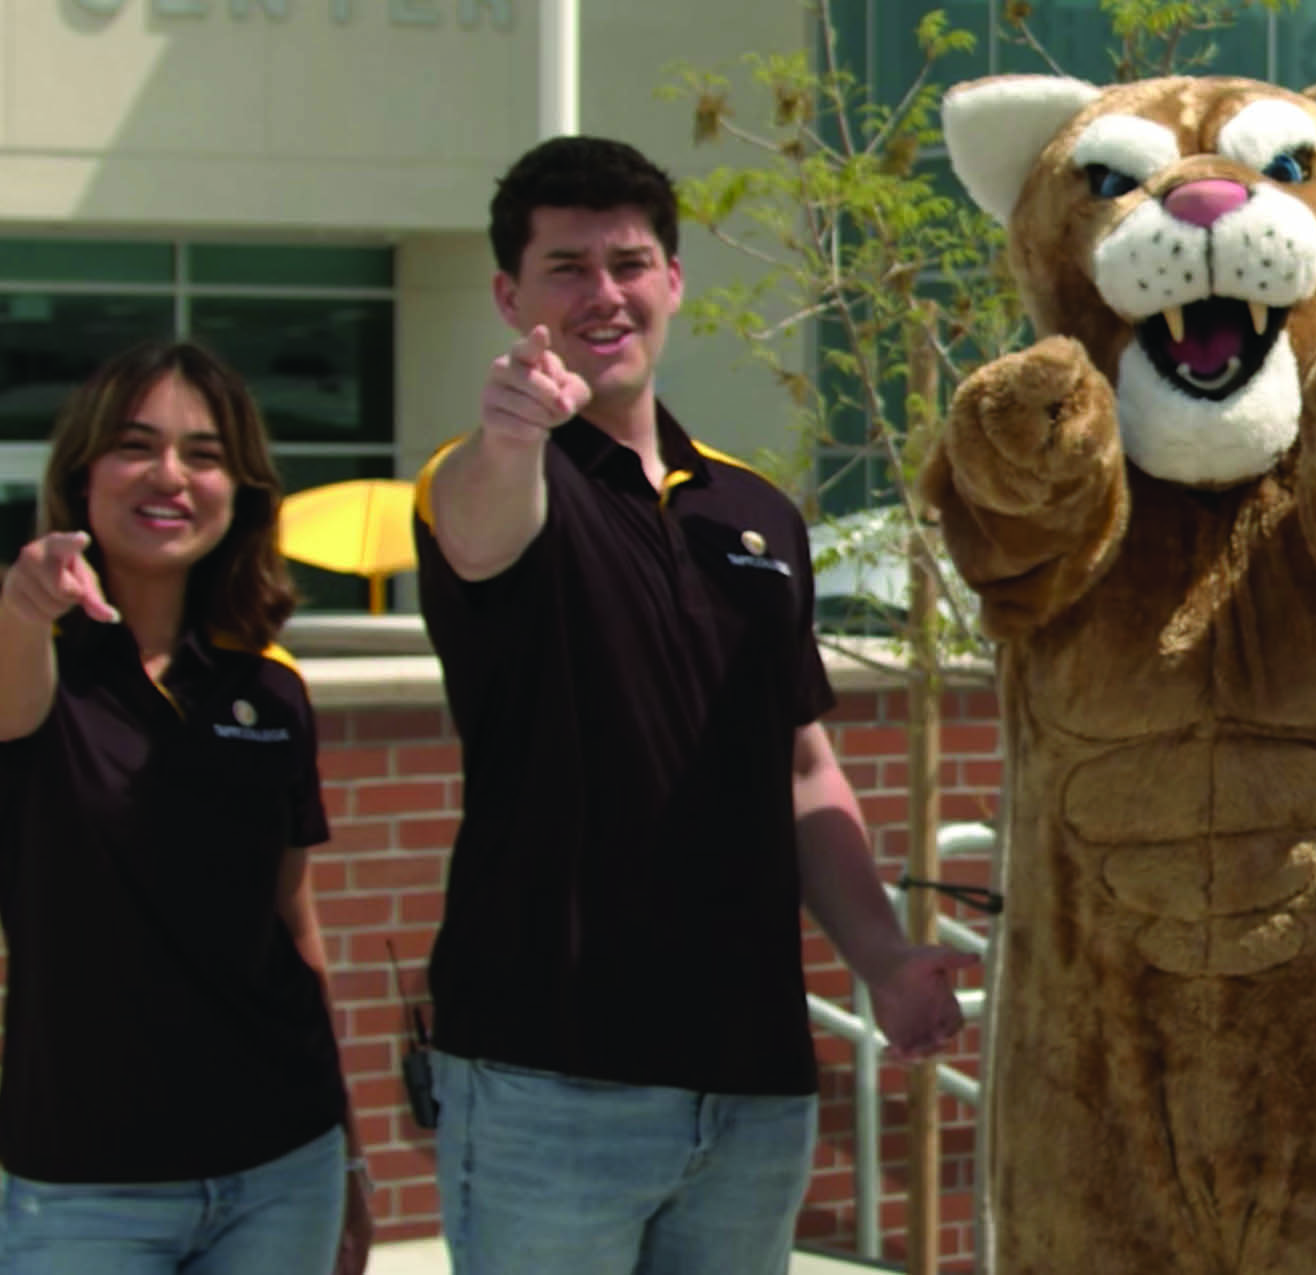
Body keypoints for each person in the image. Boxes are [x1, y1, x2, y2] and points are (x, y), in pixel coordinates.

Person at [408, 134, 973, 1275]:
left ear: (673, 280)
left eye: (628, 263)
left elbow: (800, 765)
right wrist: (515, 427)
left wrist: (881, 957)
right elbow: (478, 530)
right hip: (546, 1076)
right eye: (566, 268)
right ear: (511, 295)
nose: (602, 295)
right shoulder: (493, 475)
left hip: (751, 1083)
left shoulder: (757, 513)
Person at [0, 340, 371, 1275]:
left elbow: (294, 922)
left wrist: (354, 1145)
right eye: (137, 446)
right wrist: (24, 604)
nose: (170, 475)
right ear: (83, 473)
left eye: (204, 455)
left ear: (241, 488)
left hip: (282, 1161)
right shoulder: (5, 646)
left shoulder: (271, 684)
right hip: (87, 1181)